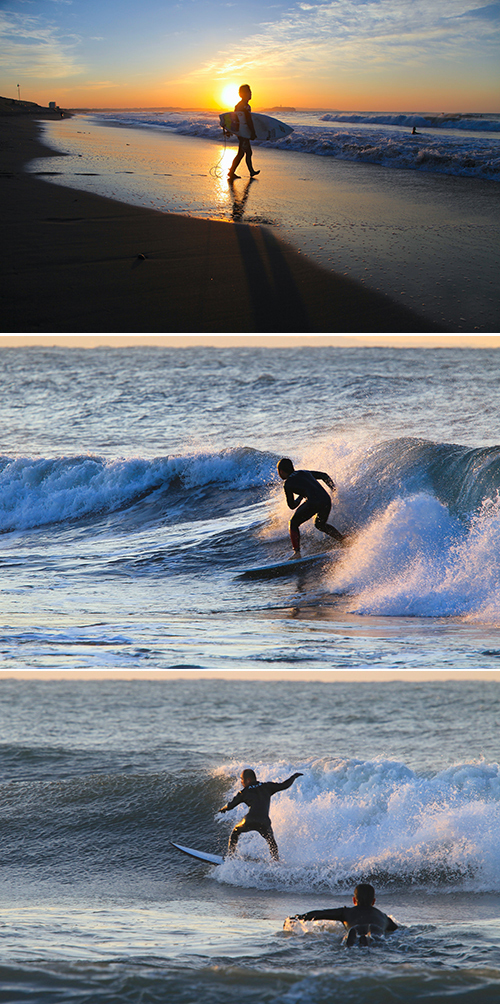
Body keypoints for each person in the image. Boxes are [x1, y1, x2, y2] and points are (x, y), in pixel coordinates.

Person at [219, 767, 303, 861]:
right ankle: (276, 862)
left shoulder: (244, 792)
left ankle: (229, 857)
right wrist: (294, 776)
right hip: (264, 822)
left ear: (248, 780)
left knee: (235, 831)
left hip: (249, 820)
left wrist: (223, 808)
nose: (241, 782)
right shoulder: (267, 786)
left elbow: (230, 805)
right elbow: (284, 785)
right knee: (271, 842)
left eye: (242, 779)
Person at [289, 883, 398, 946]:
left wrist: (299, 917)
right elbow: (397, 930)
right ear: (373, 902)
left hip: (354, 932)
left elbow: (321, 914)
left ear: (354, 900)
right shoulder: (384, 917)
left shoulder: (346, 912)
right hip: (376, 933)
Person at [277, 458, 344, 556]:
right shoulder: (304, 472)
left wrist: (299, 498)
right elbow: (324, 476)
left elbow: (292, 506)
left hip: (313, 502)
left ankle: (297, 553)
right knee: (320, 524)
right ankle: (343, 540)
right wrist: (334, 490)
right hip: (326, 499)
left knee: (293, 523)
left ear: (281, 471)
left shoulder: (288, 483)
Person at [228, 84, 260, 181]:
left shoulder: (241, 105)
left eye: (251, 92)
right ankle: (250, 171)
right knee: (248, 152)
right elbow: (247, 120)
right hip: (243, 133)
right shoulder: (244, 106)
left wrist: (233, 130)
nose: (250, 94)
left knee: (241, 153)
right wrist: (253, 132)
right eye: (248, 92)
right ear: (242, 94)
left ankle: (232, 171)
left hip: (242, 132)